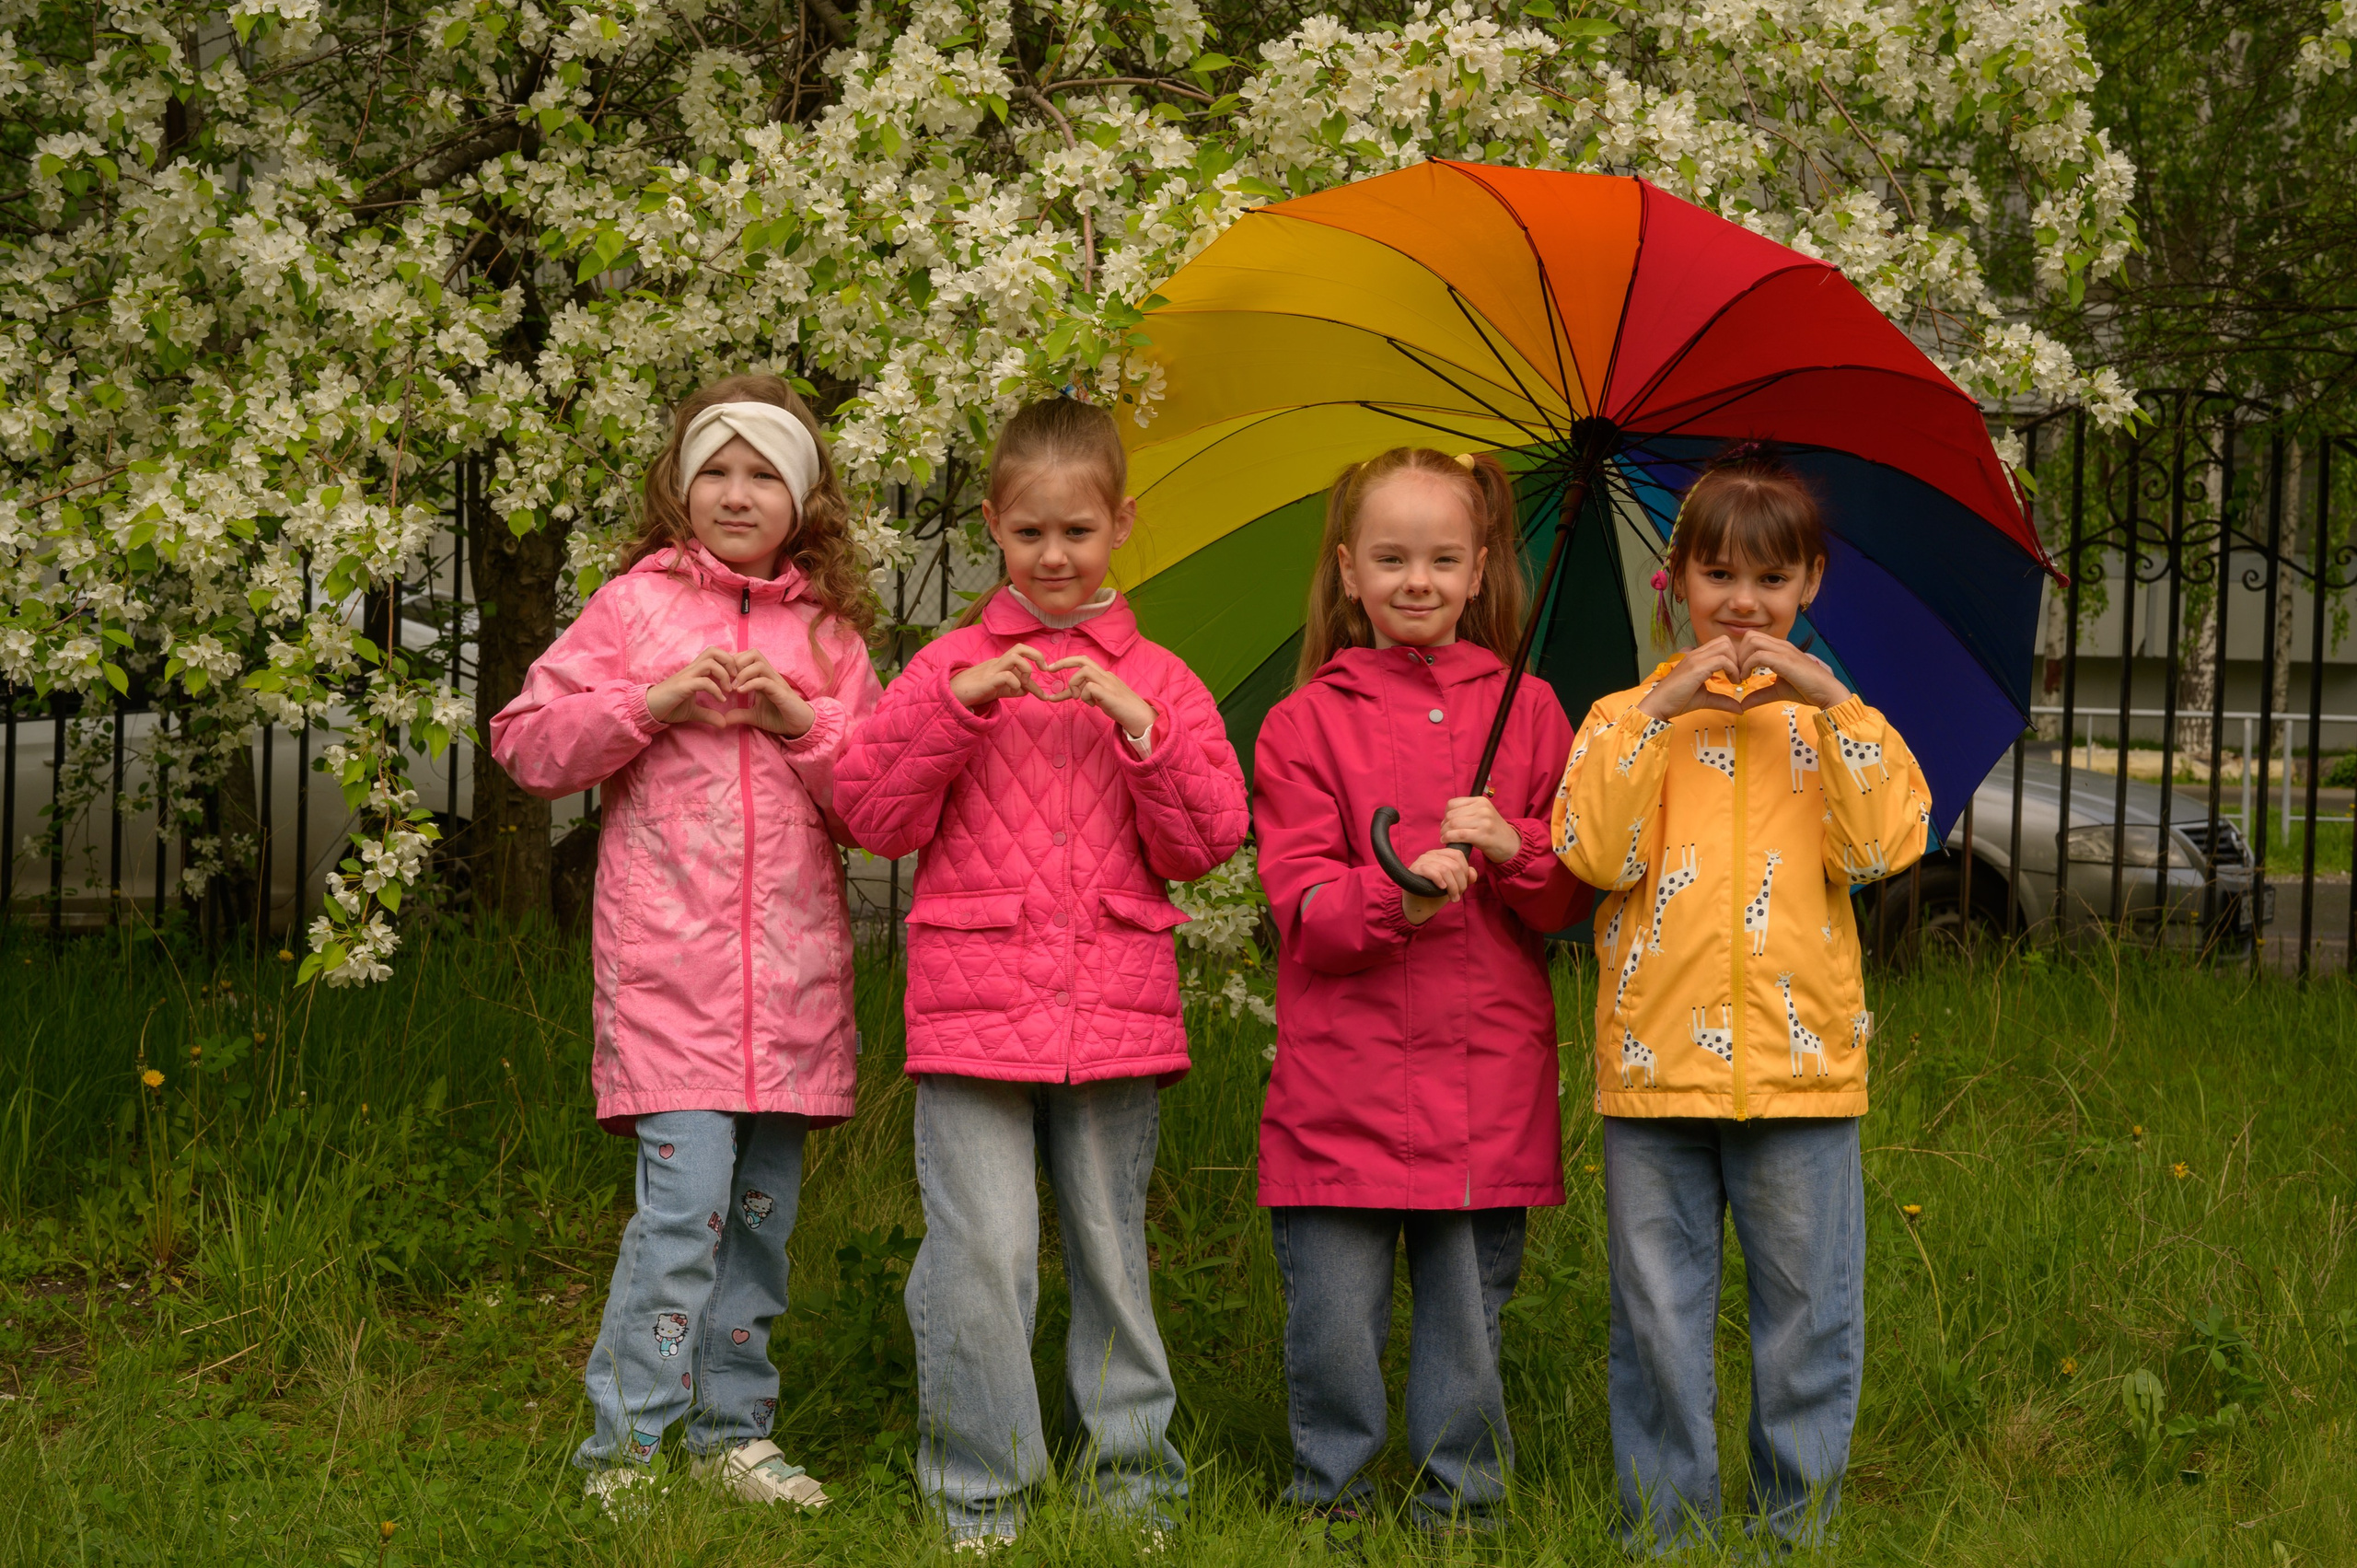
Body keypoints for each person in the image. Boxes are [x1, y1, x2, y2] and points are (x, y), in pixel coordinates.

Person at [833, 398, 1249, 1548]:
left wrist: (1138, 726)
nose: (1055, 556)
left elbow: (1209, 837)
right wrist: (950, 708)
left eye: (1078, 531)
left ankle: (1132, 1484)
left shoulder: (1159, 676)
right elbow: (869, 811)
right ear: (991, 527)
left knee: (1114, 1251)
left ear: (1121, 522)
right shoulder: (946, 665)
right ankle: (983, 1489)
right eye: (1029, 535)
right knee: (984, 1249)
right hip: (974, 1008)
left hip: (1112, 1008)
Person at [488, 375, 882, 1517]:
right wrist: (651, 698)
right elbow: (527, 742)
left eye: (764, 472)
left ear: (804, 500)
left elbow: (882, 802)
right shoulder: (632, 608)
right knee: (681, 1216)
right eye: (715, 467)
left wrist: (799, 718)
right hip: (671, 985)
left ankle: (731, 1431)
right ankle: (625, 1445)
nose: (736, 491)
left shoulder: (830, 636)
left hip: (795, 992)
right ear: (678, 484)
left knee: (760, 1226)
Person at [1550, 442, 1932, 1553]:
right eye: (1718, 575)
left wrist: (1837, 702)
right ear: (1676, 581)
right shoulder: (1624, 717)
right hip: (1656, 1075)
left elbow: (1881, 847)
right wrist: (1653, 714)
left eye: (1771, 579)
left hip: (1801, 1072)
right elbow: (1593, 850)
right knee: (1658, 1320)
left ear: (1809, 584)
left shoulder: (1831, 726)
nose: (1744, 603)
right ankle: (1660, 1531)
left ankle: (1792, 1529)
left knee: (1807, 1318)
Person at [1250, 447, 1595, 1536]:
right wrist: (1397, 895)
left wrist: (1517, 847)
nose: (1417, 580)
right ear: (1348, 570)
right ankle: (1331, 1499)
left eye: (1442, 558)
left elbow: (1568, 899)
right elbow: (1300, 903)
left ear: (1481, 564)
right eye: (1391, 558)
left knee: (1464, 1316)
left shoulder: (1532, 710)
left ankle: (1465, 1506)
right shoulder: (1303, 723)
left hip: (1481, 1085)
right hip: (1339, 1086)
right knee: (1334, 1321)